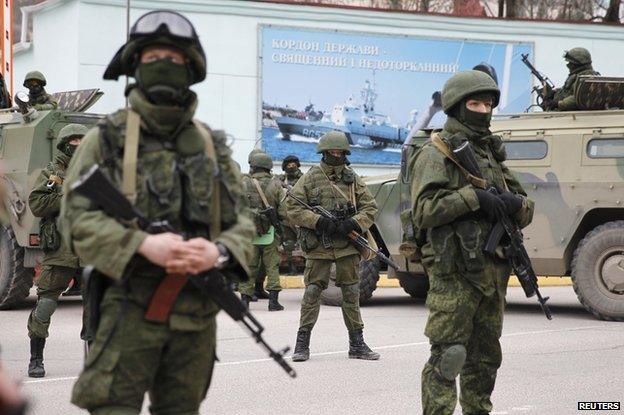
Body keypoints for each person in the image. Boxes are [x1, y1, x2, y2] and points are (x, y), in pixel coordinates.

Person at [61, 10, 253, 414]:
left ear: (191, 68)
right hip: (126, 311)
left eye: (173, 58)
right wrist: (142, 244)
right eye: (151, 59)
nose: (163, 65)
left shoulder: (209, 146)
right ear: (134, 68)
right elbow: (75, 219)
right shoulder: (106, 139)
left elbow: (242, 223)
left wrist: (216, 253)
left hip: (194, 318)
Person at [410, 70, 534, 414]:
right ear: (456, 105)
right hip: (455, 277)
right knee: (449, 356)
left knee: (485, 358)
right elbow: (424, 210)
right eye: (475, 103)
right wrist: (474, 198)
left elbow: (525, 206)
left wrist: (514, 204)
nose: (483, 110)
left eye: (488, 104)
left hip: (493, 275)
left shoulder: (489, 153)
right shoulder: (437, 152)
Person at [287, 131, 379, 362]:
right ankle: (302, 344)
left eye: (339, 152)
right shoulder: (310, 178)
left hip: (347, 245)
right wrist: (319, 222)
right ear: (324, 152)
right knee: (312, 291)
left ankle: (357, 344)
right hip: (319, 245)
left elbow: (370, 207)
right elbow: (293, 209)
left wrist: (353, 222)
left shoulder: (352, 178)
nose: (336, 155)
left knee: (351, 292)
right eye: (332, 152)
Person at [26, 123, 87, 378]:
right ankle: (36, 359)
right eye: (73, 142)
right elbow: (37, 203)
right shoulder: (53, 172)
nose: (77, 146)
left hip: (90, 251)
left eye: (81, 141)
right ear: (63, 144)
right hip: (61, 251)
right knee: (46, 305)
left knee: (96, 309)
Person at [239, 150, 286, 311]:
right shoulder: (276, 185)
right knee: (272, 267)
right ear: (269, 167)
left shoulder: (243, 183)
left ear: (253, 166)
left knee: (248, 266)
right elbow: (284, 212)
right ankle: (273, 302)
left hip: (249, 233)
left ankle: (244, 301)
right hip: (270, 233)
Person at [277, 155, 303, 275]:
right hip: (286, 218)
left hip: (301, 217)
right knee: (288, 244)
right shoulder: (281, 180)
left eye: (294, 165)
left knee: (306, 243)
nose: (292, 167)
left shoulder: (304, 179)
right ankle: (292, 268)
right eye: (289, 165)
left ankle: (308, 268)